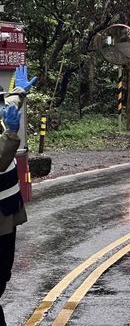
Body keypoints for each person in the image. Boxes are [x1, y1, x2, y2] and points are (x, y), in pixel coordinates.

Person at [0, 66, 37, 326]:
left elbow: (7, 103)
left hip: (6, 211)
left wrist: (20, 93)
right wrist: (11, 135)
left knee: (2, 275)